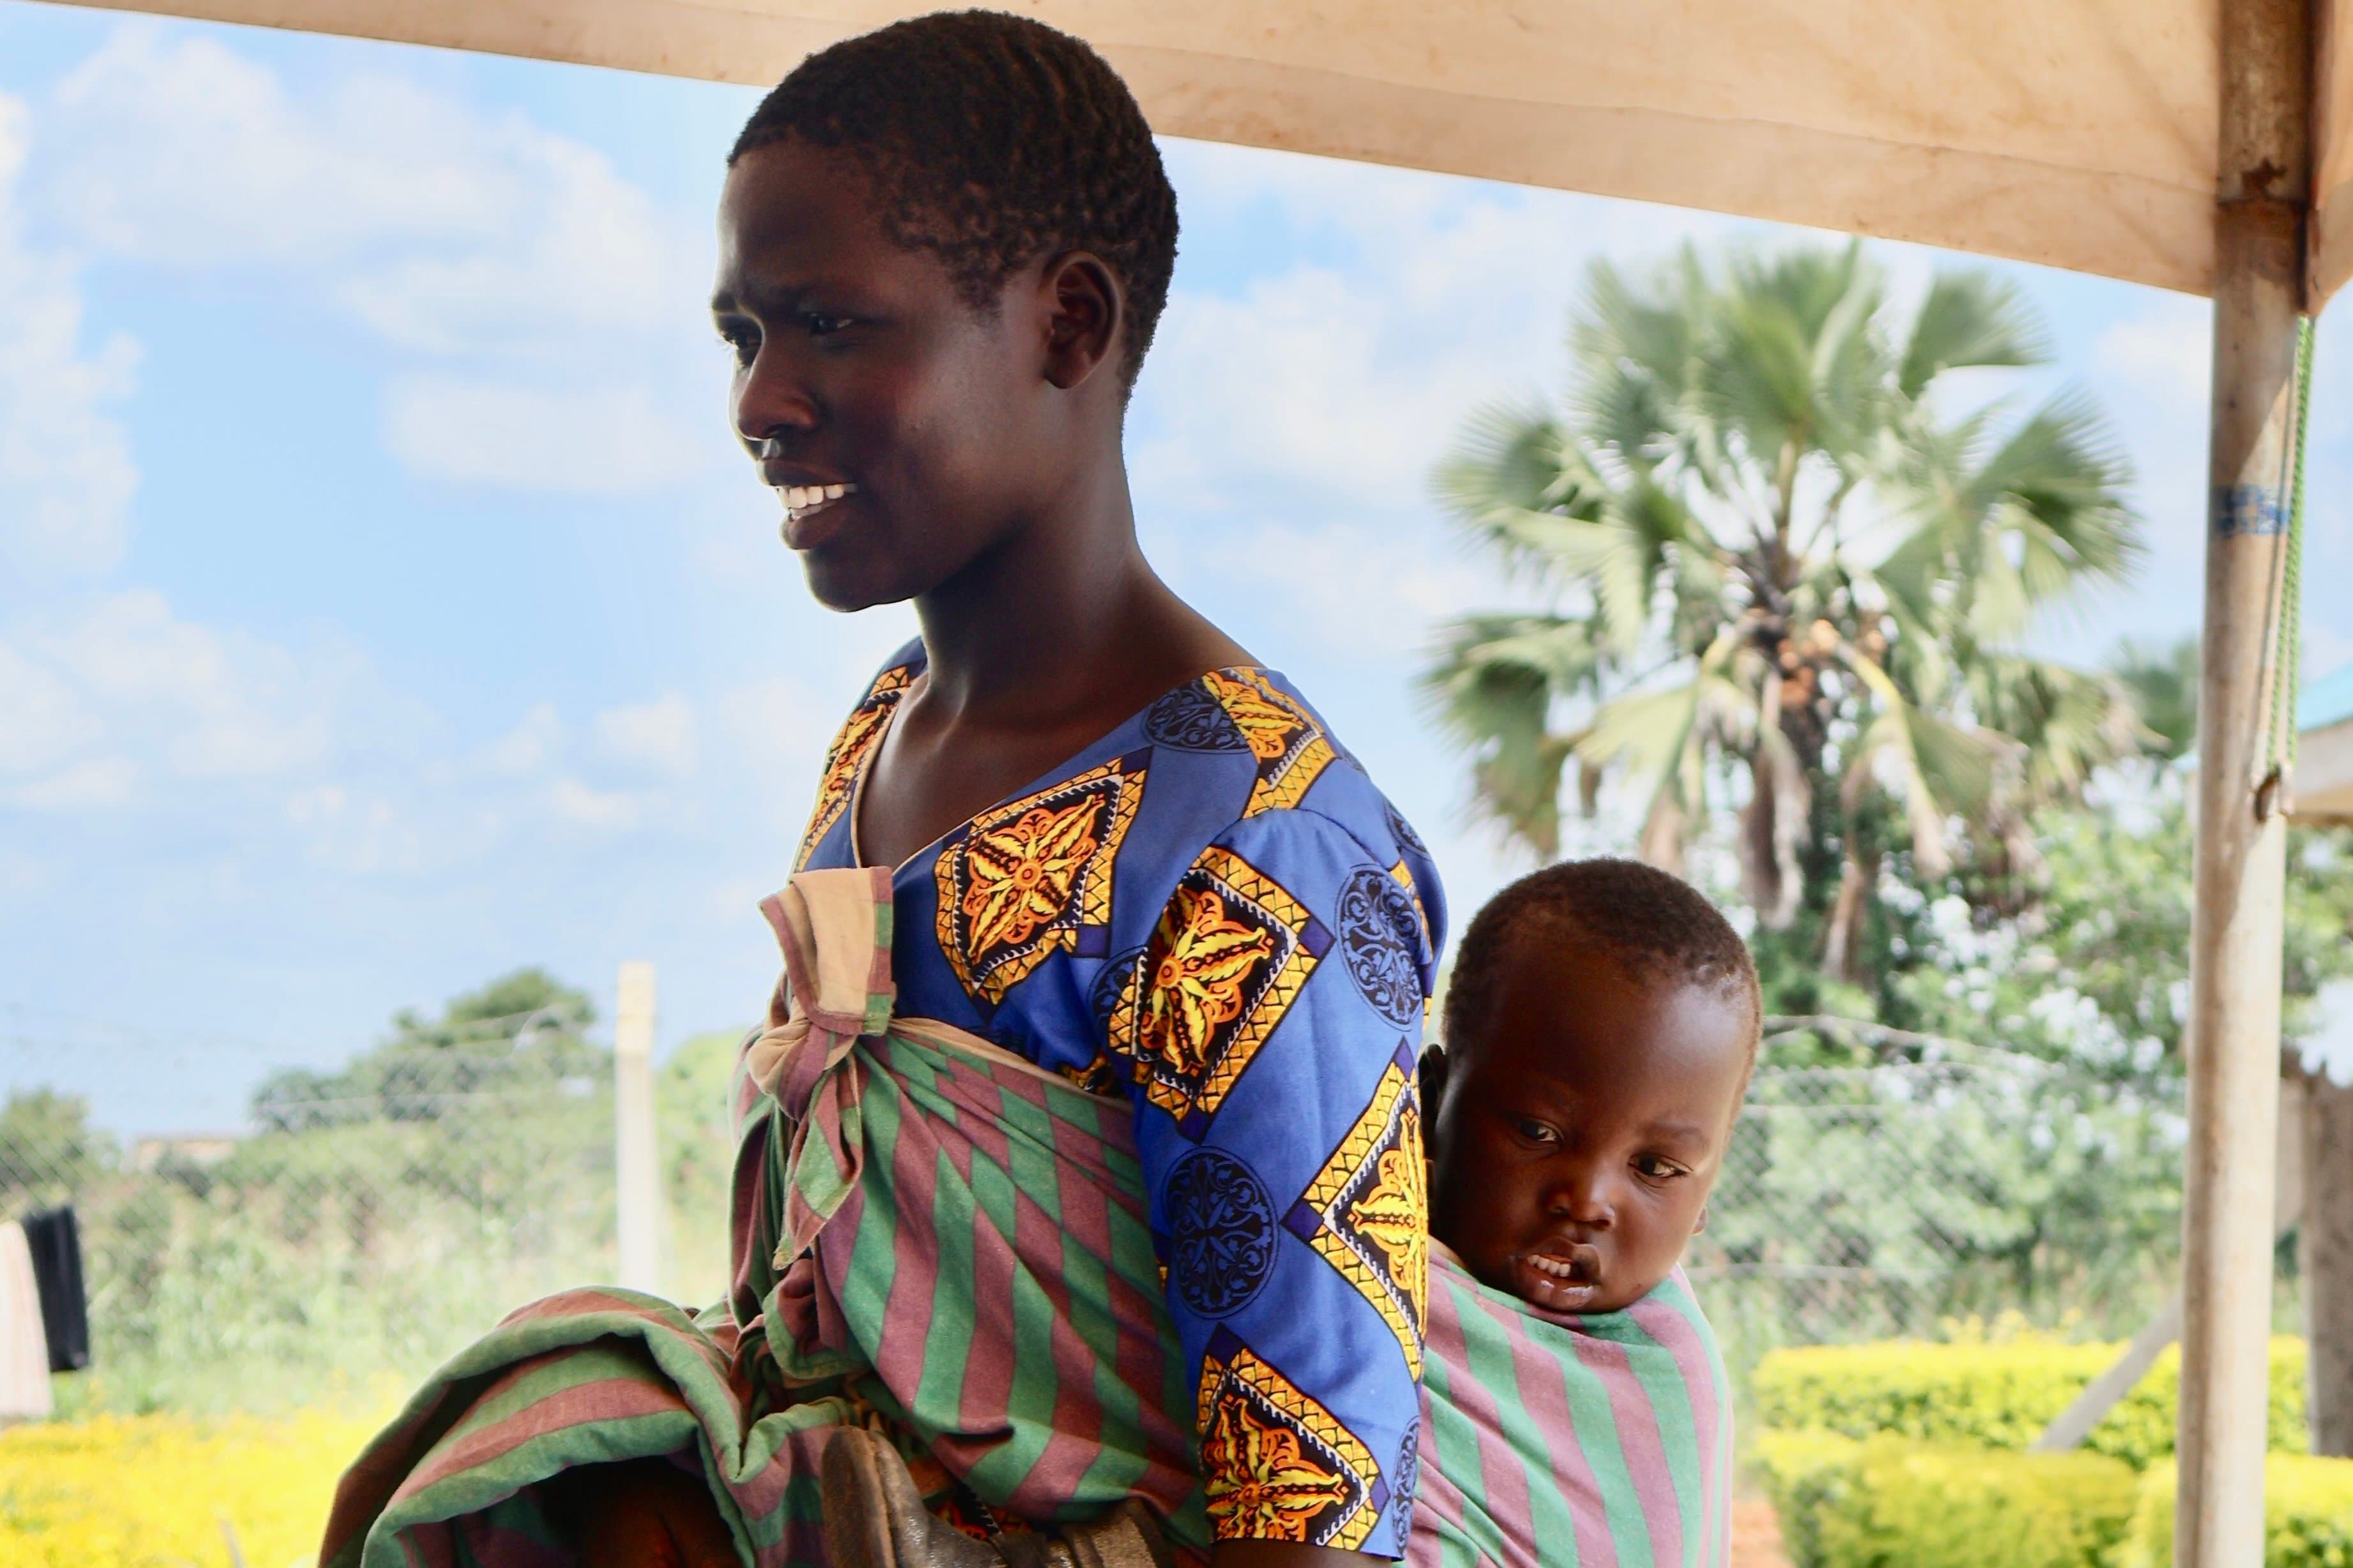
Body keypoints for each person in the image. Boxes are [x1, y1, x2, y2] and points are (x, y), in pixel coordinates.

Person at [319, 13, 1443, 1568]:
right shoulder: (885, 728)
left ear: (1066, 326)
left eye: (832, 326)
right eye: (743, 336)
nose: (758, 401)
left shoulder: (1254, 842)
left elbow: (1307, 1513)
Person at [1411, 858, 1754, 1567]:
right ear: (1434, 1101)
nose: (1588, 1201)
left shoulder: (1668, 1380)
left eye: (1654, 1168)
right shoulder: (1326, 1266)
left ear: (1705, 1197)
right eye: (1538, 1132)